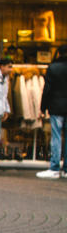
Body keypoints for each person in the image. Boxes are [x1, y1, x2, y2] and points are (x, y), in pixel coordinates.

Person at [38, 45, 67, 178]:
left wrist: (42, 108)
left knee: (56, 136)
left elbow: (47, 89)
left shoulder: (53, 68)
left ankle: (54, 167)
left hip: (56, 106)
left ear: (59, 54)